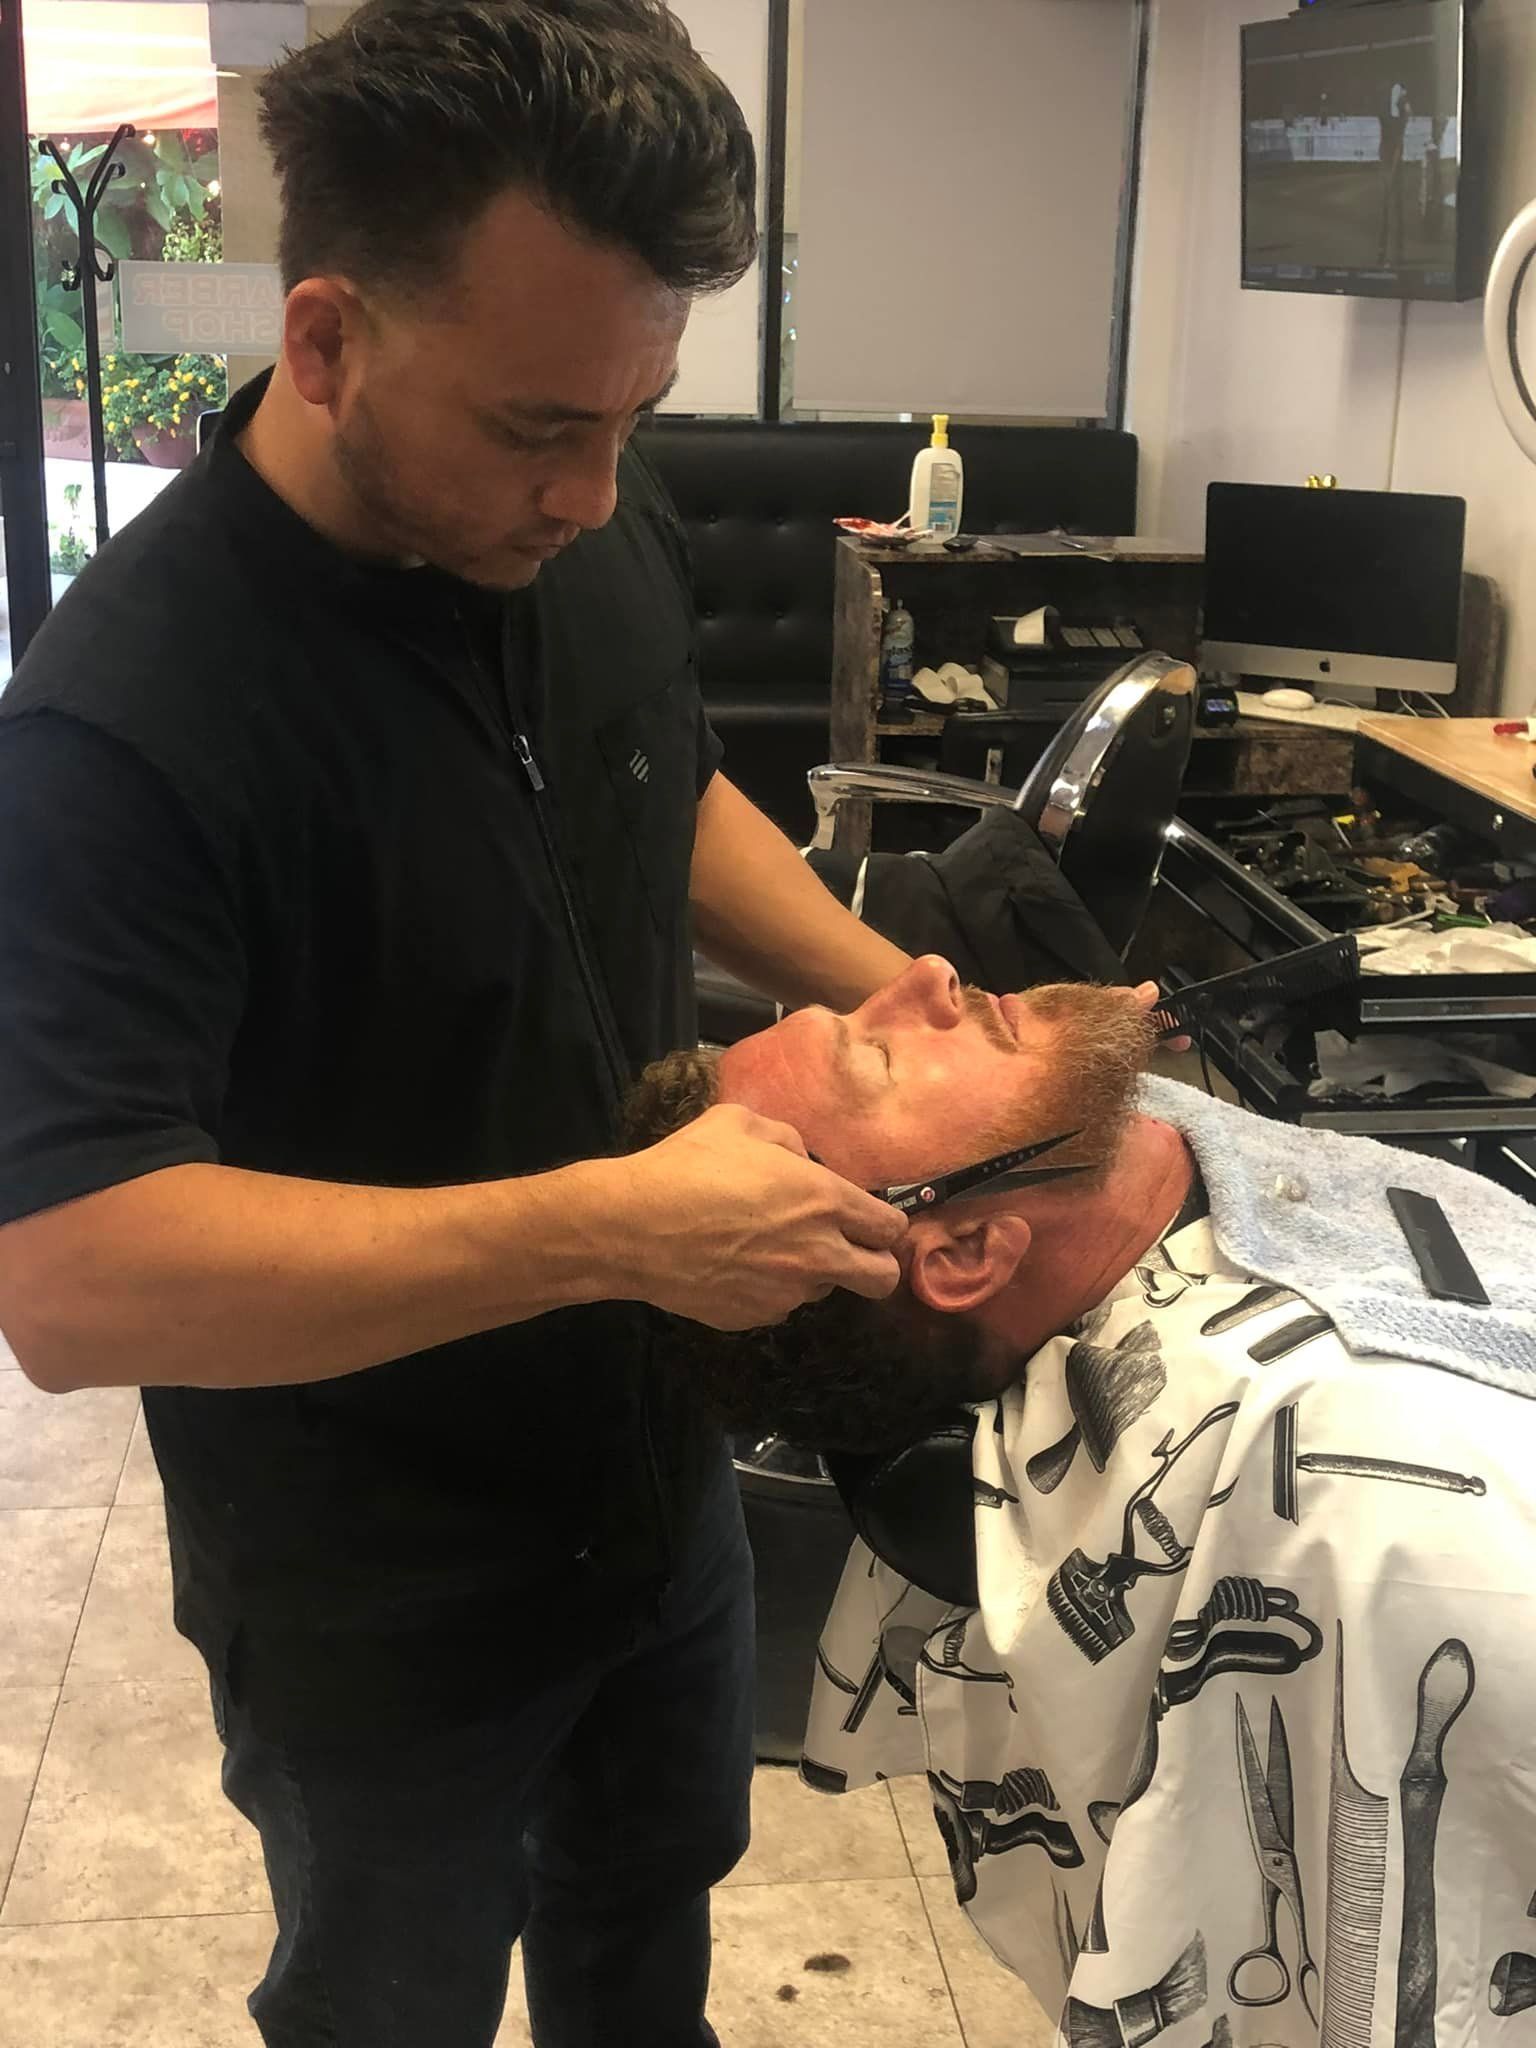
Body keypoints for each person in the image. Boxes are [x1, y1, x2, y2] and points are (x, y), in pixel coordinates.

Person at [0, 7, 920, 2045]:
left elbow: (652, 782)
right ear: (325, 340)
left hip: (651, 1497)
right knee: (389, 2001)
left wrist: (890, 987)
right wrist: (611, 1226)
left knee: (643, 1962)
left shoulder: (591, 508)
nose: (594, 491)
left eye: (634, 414)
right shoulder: (117, 730)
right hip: (376, 1588)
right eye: (533, 429)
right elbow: (72, 1276)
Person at [626, 956, 1536, 2043]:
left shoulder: (1148, 1158)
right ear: (965, 1249)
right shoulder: (1370, 1479)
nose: (921, 973)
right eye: (879, 1053)